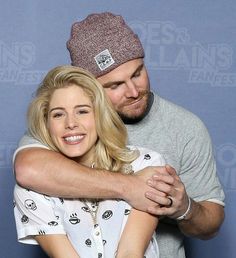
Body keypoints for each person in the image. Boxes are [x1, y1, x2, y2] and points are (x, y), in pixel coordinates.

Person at [14, 12, 225, 258]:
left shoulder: (183, 128)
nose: (134, 91)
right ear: (88, 88)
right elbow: (29, 169)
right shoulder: (66, 128)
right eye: (114, 85)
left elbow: (211, 224)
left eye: (137, 73)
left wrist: (183, 207)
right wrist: (131, 187)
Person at [14, 65, 165, 258]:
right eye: (58, 114)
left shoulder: (146, 165)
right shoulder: (31, 189)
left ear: (99, 115)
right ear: (47, 123)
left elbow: (130, 253)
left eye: (82, 111)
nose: (70, 123)